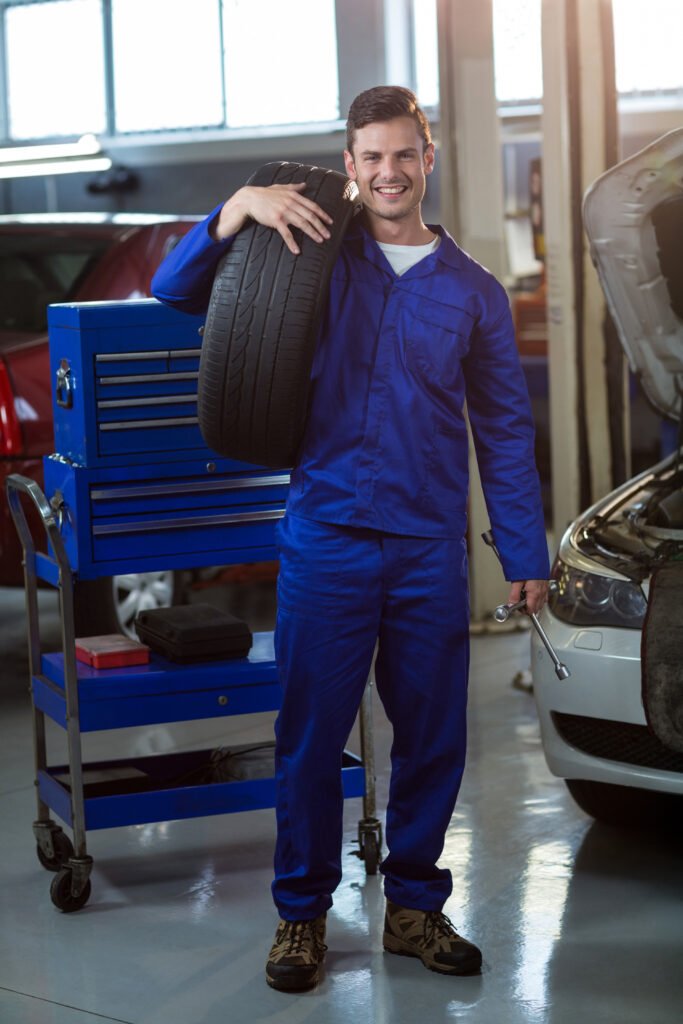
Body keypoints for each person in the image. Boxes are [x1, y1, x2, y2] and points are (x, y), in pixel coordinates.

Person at [152, 85, 550, 992]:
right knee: (309, 736)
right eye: (369, 156)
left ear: (428, 157)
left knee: (433, 735)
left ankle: (412, 906)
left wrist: (521, 552)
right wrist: (232, 210)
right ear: (349, 167)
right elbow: (175, 293)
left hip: (424, 549)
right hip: (326, 536)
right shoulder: (310, 257)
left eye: (403, 153)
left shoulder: (475, 293)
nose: (387, 171)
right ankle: (301, 919)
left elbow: (502, 430)